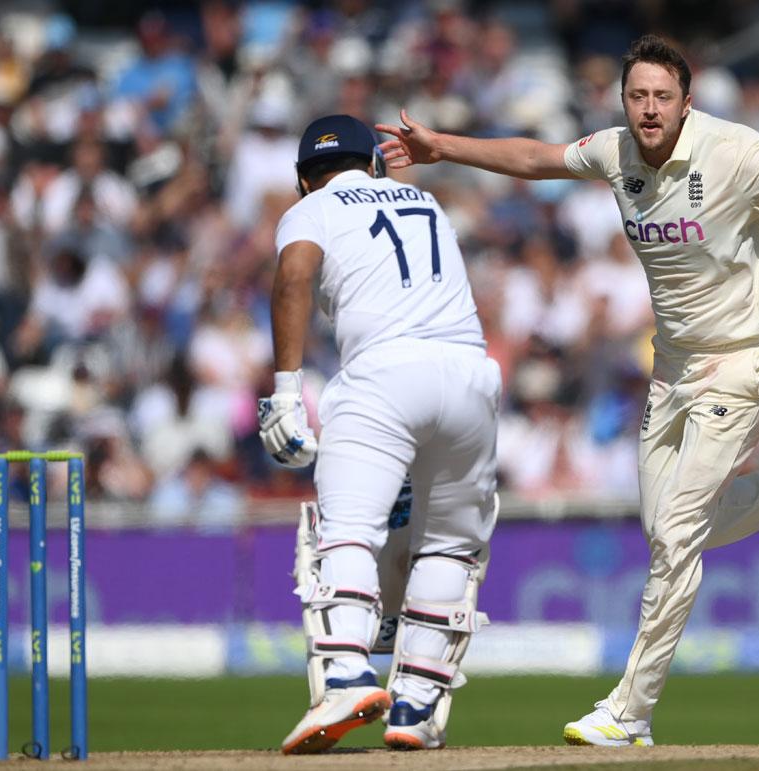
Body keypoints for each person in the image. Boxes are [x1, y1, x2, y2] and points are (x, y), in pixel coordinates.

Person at [376, 34, 759, 747]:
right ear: (623, 101)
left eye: (663, 97)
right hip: (674, 368)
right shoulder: (614, 151)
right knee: (669, 528)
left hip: (744, 360)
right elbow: (536, 159)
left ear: (686, 103)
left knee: (678, 538)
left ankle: (630, 710)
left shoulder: (735, 151)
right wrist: (441, 147)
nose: (650, 110)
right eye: (638, 96)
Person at [257, 114, 501, 752]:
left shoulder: (310, 209)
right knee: (449, 545)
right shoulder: (426, 202)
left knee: (346, 531)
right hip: (470, 375)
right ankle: (415, 705)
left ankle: (345, 674)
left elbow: (293, 278)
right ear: (376, 163)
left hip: (383, 376)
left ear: (302, 179)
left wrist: (286, 392)